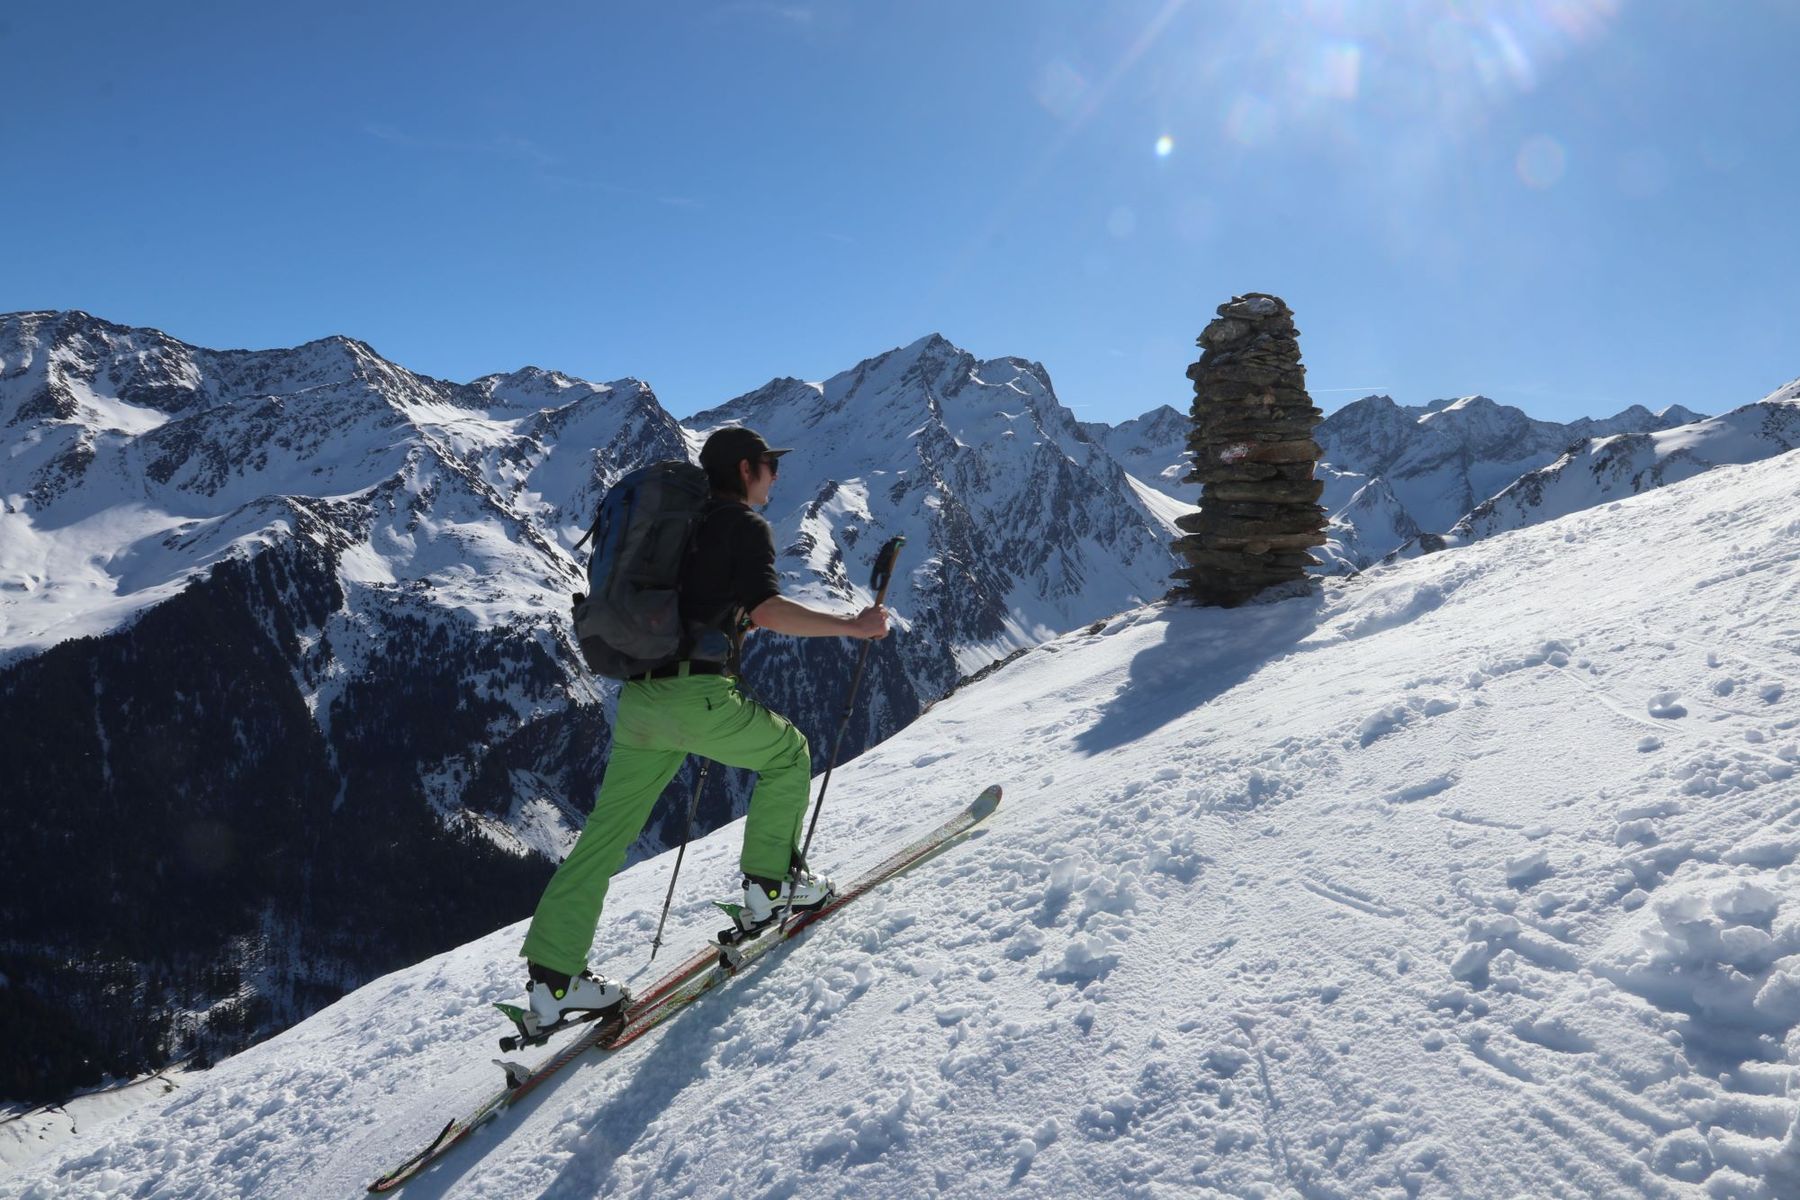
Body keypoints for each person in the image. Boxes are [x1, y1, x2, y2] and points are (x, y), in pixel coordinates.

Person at [517, 426, 890, 1028]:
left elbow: (697, 604)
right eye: (769, 464)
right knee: (788, 754)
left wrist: (731, 622)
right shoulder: (742, 525)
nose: (775, 475)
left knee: (605, 836)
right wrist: (853, 626)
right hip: (696, 697)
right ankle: (771, 886)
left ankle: (554, 981)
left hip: (640, 700)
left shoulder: (680, 526)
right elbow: (768, 607)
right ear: (745, 469)